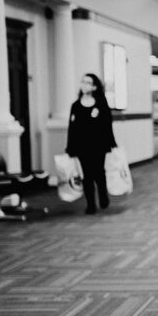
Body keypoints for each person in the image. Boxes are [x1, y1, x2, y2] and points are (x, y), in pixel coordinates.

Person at [66, 73, 116, 215]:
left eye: (88, 82)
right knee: (87, 175)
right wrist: (70, 146)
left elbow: (107, 124)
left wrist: (111, 142)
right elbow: (72, 128)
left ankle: (103, 196)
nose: (84, 85)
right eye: (83, 82)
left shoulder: (100, 104)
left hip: (98, 145)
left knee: (99, 172)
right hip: (82, 146)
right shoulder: (75, 106)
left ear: (94, 86)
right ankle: (91, 204)